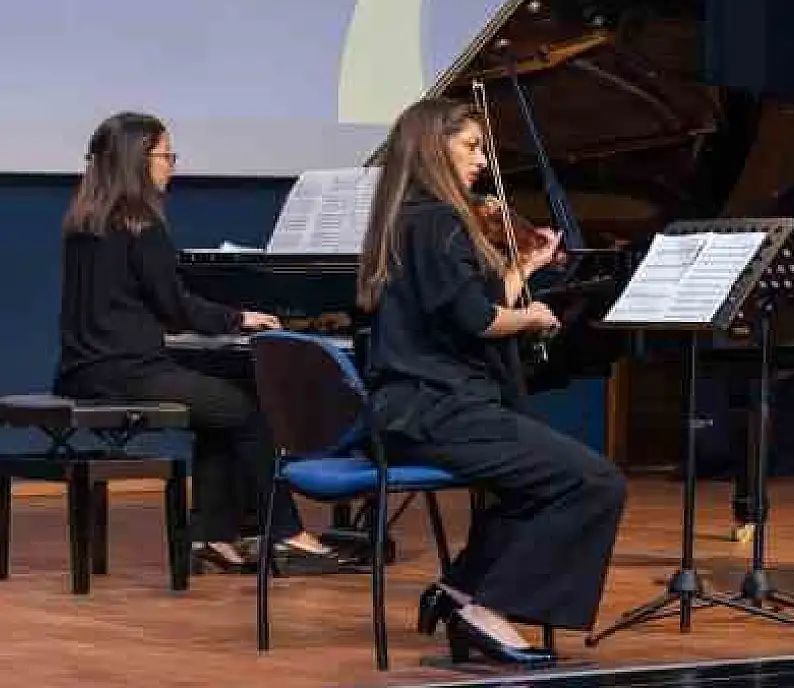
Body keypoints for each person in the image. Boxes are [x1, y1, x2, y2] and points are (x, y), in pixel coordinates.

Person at [357, 97, 627, 666]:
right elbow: (480, 321)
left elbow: (465, 305)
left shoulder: (409, 217)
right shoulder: (440, 222)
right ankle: (488, 610)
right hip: (438, 409)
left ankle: (459, 591)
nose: (483, 159)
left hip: (413, 407)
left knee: (538, 483)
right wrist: (533, 316)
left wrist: (524, 269)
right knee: (595, 482)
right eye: (471, 146)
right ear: (434, 149)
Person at [53, 111, 339, 574]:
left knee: (225, 403)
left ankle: (212, 533)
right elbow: (175, 307)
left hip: (85, 369)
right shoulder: (141, 224)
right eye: (166, 155)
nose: (172, 165)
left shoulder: (86, 223)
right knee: (247, 411)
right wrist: (238, 318)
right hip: (127, 372)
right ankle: (285, 532)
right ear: (137, 160)